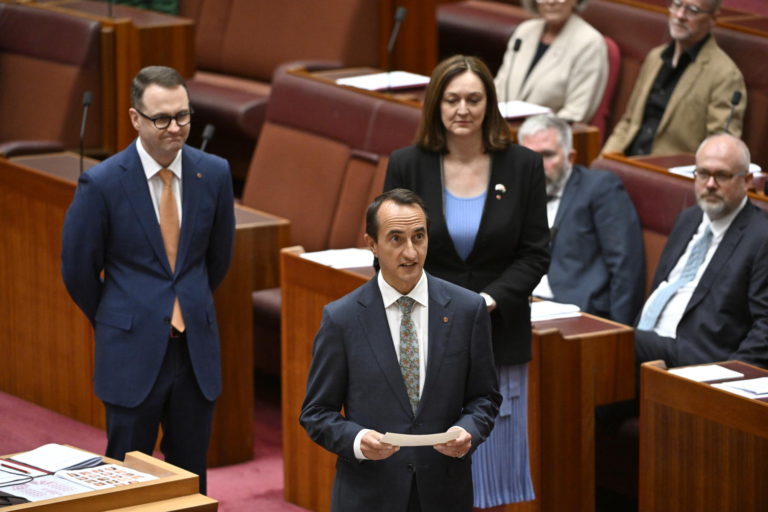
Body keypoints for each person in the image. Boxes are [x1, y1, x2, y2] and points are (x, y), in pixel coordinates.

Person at [384, 55, 550, 509]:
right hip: (424, 329)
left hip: (499, 332)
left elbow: (536, 251)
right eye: (452, 99)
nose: (463, 109)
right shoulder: (408, 164)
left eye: (474, 99)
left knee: (493, 472)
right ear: (436, 104)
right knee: (431, 460)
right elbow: (394, 246)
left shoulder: (523, 166)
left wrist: (488, 300)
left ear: (489, 104)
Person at [61, 65, 235, 494]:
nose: (175, 128)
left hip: (195, 351)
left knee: (190, 481)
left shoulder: (213, 173)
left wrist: (185, 306)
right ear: (135, 118)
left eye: (183, 116)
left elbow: (218, 259)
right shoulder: (101, 183)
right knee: (125, 480)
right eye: (162, 119)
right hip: (130, 351)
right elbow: (78, 270)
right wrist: (117, 317)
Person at [300, 189, 501, 512]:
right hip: (370, 494)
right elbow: (316, 413)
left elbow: (485, 398)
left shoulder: (467, 309)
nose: (411, 252)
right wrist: (357, 440)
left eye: (418, 237)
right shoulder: (343, 318)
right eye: (396, 239)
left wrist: (468, 431)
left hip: (444, 493)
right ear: (372, 244)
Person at [635, 133, 768, 369]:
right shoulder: (689, 219)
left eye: (722, 175)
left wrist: (730, 376)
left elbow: (765, 326)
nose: (710, 184)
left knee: (615, 343)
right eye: (703, 174)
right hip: (651, 340)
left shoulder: (761, 236)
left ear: (747, 180)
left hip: (703, 357)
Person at [519, 114, 645, 324]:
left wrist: (618, 332)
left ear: (570, 157)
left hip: (575, 310)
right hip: (523, 302)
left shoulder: (599, 188)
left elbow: (626, 266)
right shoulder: (512, 191)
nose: (537, 166)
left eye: (547, 156)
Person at [602, 0, 746, 157]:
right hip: (627, 162)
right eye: (677, 5)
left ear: (713, 19)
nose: (680, 15)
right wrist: (604, 160)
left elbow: (719, 149)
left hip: (667, 173)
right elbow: (629, 121)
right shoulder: (655, 57)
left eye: (692, 10)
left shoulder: (725, 75)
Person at [494, 0, 608, 124]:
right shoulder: (525, 30)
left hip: (545, 137)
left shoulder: (589, 43)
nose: (551, 2)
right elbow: (499, 87)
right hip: (502, 129)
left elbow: (575, 114)